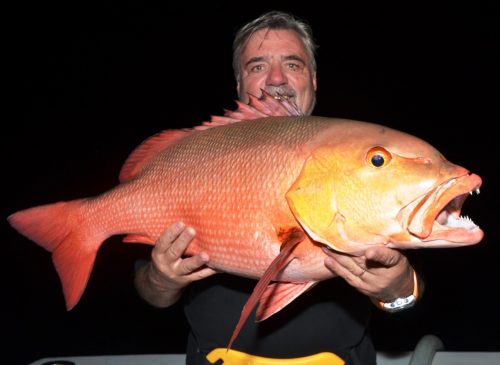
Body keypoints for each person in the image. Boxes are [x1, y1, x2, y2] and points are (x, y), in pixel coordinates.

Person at [134, 11, 422, 365]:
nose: (275, 80)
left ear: (313, 80)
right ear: (239, 82)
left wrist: (398, 290)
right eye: (257, 67)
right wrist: (162, 280)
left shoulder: (353, 158)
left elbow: (407, 300)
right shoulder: (194, 160)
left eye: (292, 64)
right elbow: (150, 295)